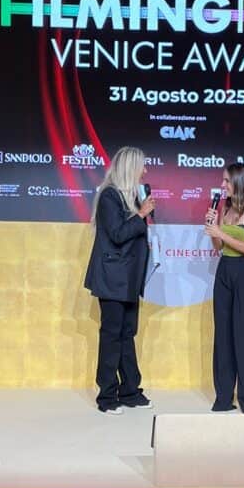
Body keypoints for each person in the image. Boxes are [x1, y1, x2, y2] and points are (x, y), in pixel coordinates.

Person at [84, 146, 155, 414]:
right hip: (112, 279)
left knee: (127, 334)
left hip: (129, 278)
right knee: (112, 336)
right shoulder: (109, 196)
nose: (145, 171)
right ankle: (107, 396)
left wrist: (143, 216)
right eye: (142, 166)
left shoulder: (133, 197)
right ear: (130, 168)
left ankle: (130, 391)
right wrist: (141, 215)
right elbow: (117, 234)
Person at [204, 162, 244, 414]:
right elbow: (218, 247)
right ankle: (223, 398)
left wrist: (221, 232)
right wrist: (213, 231)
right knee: (223, 337)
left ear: (239, 182)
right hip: (225, 272)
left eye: (226, 181)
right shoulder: (226, 208)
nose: (222, 185)